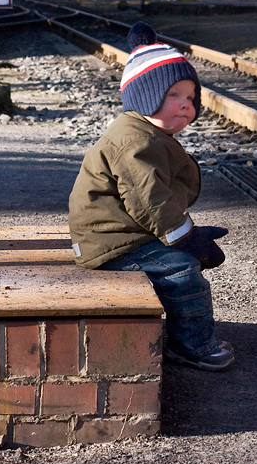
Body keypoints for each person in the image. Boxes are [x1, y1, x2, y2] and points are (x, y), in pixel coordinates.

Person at [68, 22, 234, 372]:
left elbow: (152, 205)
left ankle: (180, 333)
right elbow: (149, 202)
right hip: (112, 243)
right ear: (146, 96)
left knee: (178, 263)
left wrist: (185, 232)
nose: (186, 106)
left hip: (128, 233)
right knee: (181, 272)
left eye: (190, 98)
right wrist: (188, 240)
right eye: (173, 95)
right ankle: (193, 346)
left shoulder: (145, 133)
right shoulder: (134, 141)